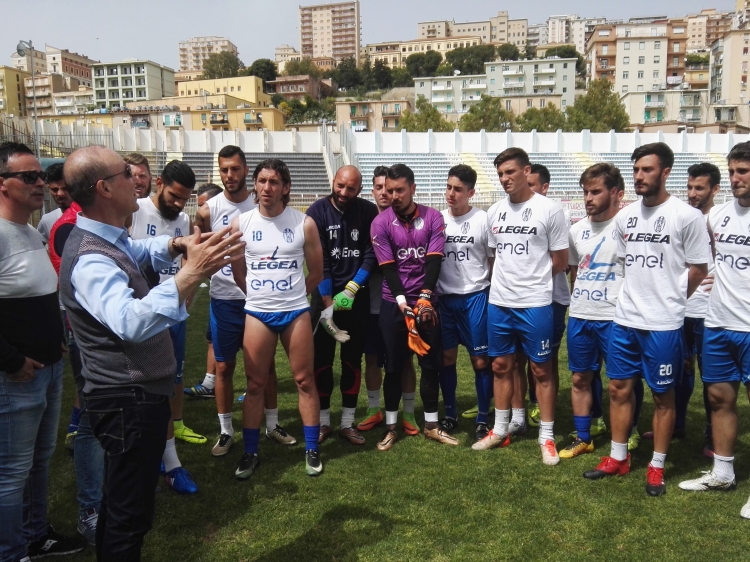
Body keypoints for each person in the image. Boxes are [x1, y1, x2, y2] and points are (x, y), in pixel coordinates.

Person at [60, 145, 244, 560]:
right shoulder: (91, 257)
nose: (137, 178)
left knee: (120, 503)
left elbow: (141, 252)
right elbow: (128, 321)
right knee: (130, 515)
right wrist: (191, 274)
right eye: (126, 172)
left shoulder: (108, 238)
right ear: (105, 188)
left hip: (135, 396)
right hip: (128, 400)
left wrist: (180, 245)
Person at [583, 142, 709, 496]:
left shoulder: (687, 216)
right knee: (618, 388)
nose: (639, 176)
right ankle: (618, 457)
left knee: (662, 396)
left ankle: (656, 465)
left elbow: (699, 269)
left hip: (664, 324)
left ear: (665, 172)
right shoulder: (625, 217)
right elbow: (624, 265)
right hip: (624, 320)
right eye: (636, 169)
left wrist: (671, 300)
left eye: (647, 170)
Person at [0, 142, 83, 561]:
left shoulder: (31, 231)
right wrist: (12, 361)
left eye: (41, 176)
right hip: (17, 377)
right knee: (11, 473)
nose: (42, 185)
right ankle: (11, 552)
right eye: (29, 177)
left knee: (39, 462)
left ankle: (34, 535)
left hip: (47, 368)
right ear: (2, 184)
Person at [193, 146, 294, 456]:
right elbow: (196, 252)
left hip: (261, 300)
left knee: (266, 369)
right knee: (223, 367)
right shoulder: (208, 209)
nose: (229, 175)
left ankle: (272, 424)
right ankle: (225, 431)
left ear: (245, 170)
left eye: (235, 169)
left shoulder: (262, 200)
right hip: (225, 298)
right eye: (224, 169)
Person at [474, 148, 569, 466]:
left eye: (510, 172)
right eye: (500, 174)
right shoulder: (494, 212)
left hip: (536, 304)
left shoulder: (549, 210)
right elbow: (491, 256)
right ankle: (500, 429)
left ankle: (547, 436)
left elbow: (560, 261)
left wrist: (531, 280)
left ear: (526, 172)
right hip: (500, 303)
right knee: (500, 367)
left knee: (541, 369)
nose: (505, 179)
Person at [230, 158, 324, 479]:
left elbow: (317, 272)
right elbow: (238, 271)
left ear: (286, 188)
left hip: (295, 312)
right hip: (257, 313)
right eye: (262, 180)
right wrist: (260, 295)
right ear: (254, 185)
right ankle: (250, 452)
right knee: (255, 385)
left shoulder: (304, 223)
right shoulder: (241, 223)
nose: (267, 187)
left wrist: (293, 295)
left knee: (304, 380)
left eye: (274, 182)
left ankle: (312, 448)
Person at [679, 142, 750, 515]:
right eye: (734, 171)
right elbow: (702, 258)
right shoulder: (717, 216)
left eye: (744, 171)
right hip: (719, 320)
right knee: (720, 398)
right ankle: (723, 472)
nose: (737, 178)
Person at [130, 159, 205, 495]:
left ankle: (170, 462)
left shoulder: (185, 220)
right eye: (174, 196)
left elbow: (188, 260)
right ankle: (155, 460)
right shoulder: (135, 210)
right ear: (158, 183)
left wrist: (186, 298)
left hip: (173, 316)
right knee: (141, 391)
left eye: (184, 199)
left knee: (172, 382)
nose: (178, 204)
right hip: (142, 316)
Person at [370, 163, 457, 451]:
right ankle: (391, 427)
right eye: (388, 190)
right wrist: (403, 304)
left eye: (399, 190)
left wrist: (424, 298)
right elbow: (388, 268)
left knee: (430, 365)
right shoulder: (380, 223)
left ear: (412, 189)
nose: (393, 195)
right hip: (393, 303)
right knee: (394, 367)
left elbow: (434, 261)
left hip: (426, 302)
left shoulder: (433, 218)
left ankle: (432, 425)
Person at [643, 163, 720, 457]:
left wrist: (723, 281)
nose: (692, 194)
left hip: (709, 310)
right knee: (680, 370)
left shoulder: (719, 219)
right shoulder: (680, 216)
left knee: (710, 375)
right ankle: (676, 424)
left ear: (715, 189)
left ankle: (713, 436)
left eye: (699, 188)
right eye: (689, 187)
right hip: (679, 309)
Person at [306, 165, 379, 445]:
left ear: (359, 189)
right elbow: (318, 261)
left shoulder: (368, 212)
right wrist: (328, 305)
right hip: (323, 301)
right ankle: (324, 422)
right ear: (333, 182)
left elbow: (371, 255)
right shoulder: (316, 212)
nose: (344, 192)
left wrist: (351, 288)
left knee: (351, 362)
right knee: (321, 362)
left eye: (350, 188)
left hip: (354, 301)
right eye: (340, 186)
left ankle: (348, 423)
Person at [48, 187, 104, 546]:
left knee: (103, 414)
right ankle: (90, 509)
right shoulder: (72, 229)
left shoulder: (98, 225)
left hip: (104, 341)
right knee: (93, 416)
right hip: (91, 336)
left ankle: (102, 499)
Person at [559, 163, 625, 459]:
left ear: (614, 193)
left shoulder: (626, 227)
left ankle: (626, 436)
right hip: (581, 314)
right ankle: (583, 436)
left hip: (616, 317)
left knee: (621, 382)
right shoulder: (576, 230)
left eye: (595, 191)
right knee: (579, 378)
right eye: (585, 191)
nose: (588, 197)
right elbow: (575, 273)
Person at [510, 163, 573, 437]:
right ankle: (518, 412)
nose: (528, 191)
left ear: (544, 187)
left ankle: (539, 404)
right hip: (517, 299)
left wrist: (530, 279)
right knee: (515, 359)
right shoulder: (513, 213)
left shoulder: (556, 215)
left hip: (551, 299)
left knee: (544, 361)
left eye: (533, 185)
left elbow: (563, 263)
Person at [357, 166, 418, 434]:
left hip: (401, 305)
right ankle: (374, 410)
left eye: (391, 188)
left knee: (404, 361)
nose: (386, 193)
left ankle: (409, 413)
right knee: (372, 359)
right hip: (371, 306)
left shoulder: (407, 220)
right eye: (380, 188)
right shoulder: (370, 221)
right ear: (374, 191)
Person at [436, 165, 494, 442]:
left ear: (471, 192)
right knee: (446, 358)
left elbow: (493, 260)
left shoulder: (483, 219)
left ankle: (483, 417)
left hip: (475, 297)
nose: (451, 193)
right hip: (444, 299)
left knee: (480, 360)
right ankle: (450, 413)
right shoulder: (437, 219)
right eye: (448, 187)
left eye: (458, 189)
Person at [185, 182, 224, 399]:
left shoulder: (235, 222)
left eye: (203, 205)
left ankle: (255, 387)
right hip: (219, 293)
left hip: (245, 295)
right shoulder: (203, 228)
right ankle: (209, 384)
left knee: (252, 343)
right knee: (212, 338)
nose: (200, 210)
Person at [37, 162, 70, 244]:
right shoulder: (47, 220)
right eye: (55, 190)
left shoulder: (90, 216)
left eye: (65, 188)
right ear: (48, 188)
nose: (60, 194)